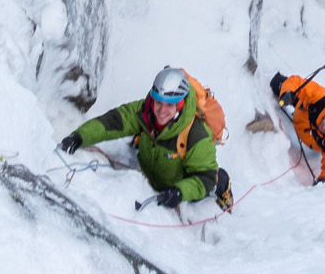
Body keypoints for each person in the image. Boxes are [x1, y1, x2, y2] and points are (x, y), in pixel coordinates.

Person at [59, 64, 231, 211]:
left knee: (213, 181)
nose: (162, 111)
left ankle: (225, 184)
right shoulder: (145, 111)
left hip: (181, 184)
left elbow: (205, 179)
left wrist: (180, 192)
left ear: (180, 104)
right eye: (158, 103)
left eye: (169, 105)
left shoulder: (197, 136)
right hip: (156, 172)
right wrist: (79, 137)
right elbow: (112, 122)